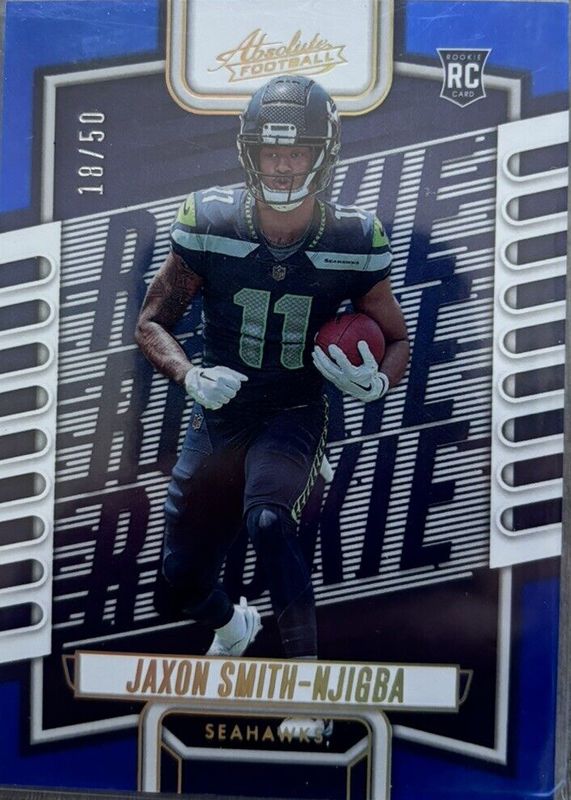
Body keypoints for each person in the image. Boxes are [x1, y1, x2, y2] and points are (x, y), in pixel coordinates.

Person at [135, 75, 409, 735]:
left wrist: (374, 385)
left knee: (266, 520)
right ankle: (233, 626)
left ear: (322, 153)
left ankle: (306, 694)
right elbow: (151, 322)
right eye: (271, 151)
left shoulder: (354, 236)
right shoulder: (209, 222)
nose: (283, 164)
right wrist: (189, 375)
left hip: (293, 409)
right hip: (219, 412)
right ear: (249, 152)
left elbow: (398, 338)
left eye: (296, 151)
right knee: (179, 578)